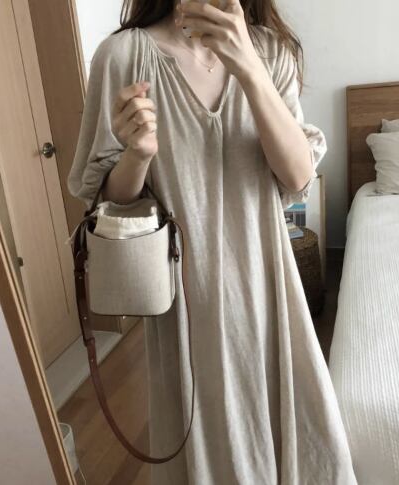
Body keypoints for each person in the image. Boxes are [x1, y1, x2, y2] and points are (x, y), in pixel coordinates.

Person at [67, 1, 357, 483]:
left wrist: (248, 67)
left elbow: (297, 177)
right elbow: (110, 203)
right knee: (210, 443)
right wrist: (137, 154)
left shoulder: (272, 51)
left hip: (268, 283)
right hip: (187, 296)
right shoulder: (123, 56)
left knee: (299, 441)